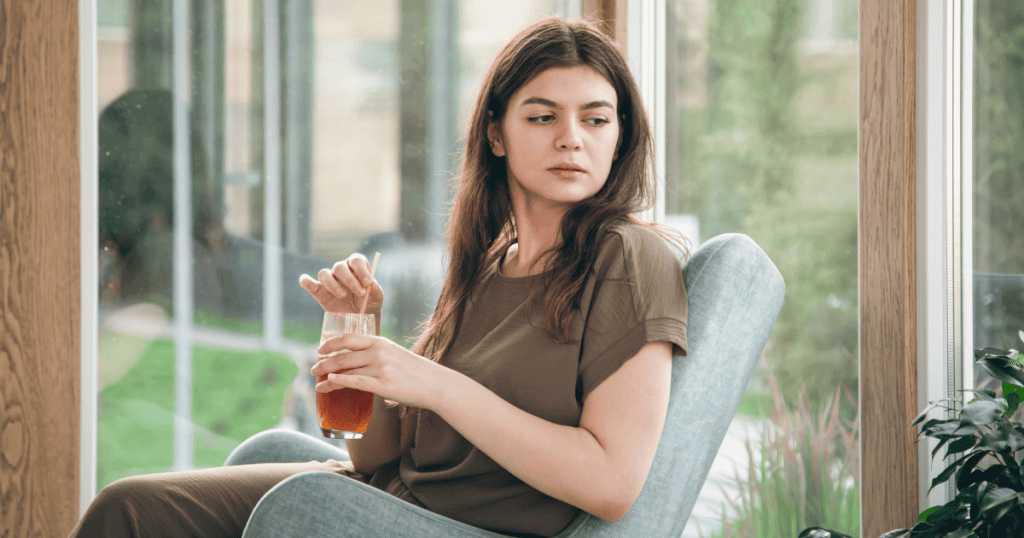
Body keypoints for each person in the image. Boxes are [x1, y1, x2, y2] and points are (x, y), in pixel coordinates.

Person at [69, 16, 688, 538]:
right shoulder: (488, 264)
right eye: (543, 117)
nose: (571, 140)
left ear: (621, 135)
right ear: (496, 133)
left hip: (454, 528)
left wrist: (437, 384)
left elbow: (612, 485)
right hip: (392, 498)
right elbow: (381, 455)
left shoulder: (629, 259)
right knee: (130, 509)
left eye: (596, 119)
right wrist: (356, 341)